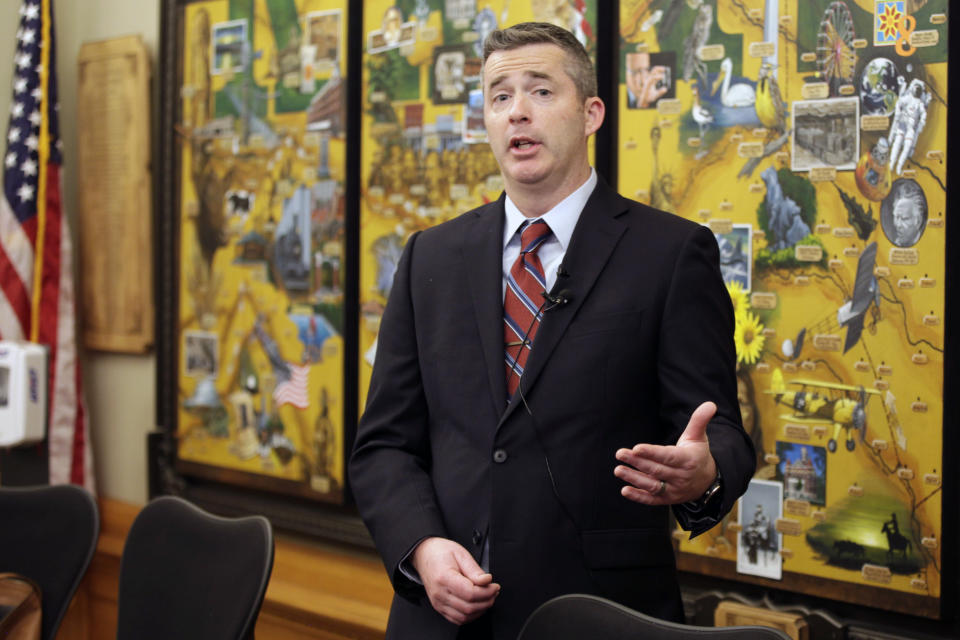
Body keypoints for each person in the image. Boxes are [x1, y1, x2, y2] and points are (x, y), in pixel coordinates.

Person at [349, 22, 756, 640]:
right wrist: (423, 547)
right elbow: (383, 446)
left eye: (540, 92)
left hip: (603, 613)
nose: (517, 113)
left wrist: (706, 475)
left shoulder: (670, 255)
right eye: (499, 96)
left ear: (591, 113)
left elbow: (720, 431)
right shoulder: (429, 257)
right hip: (444, 618)